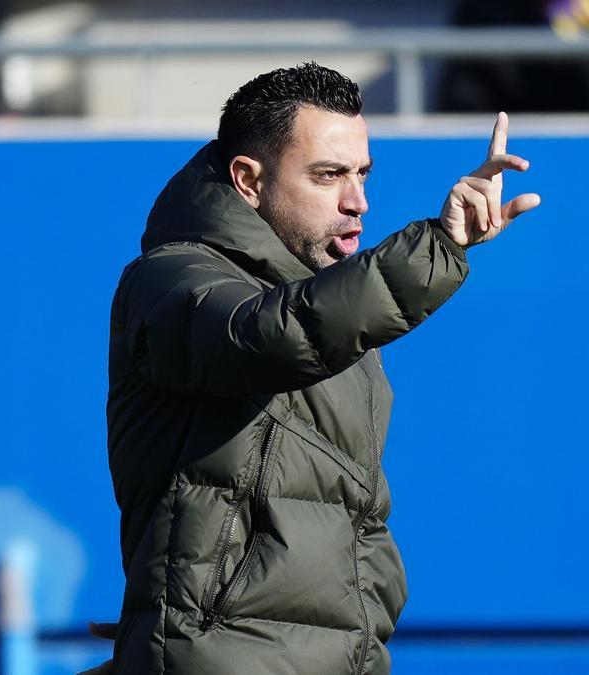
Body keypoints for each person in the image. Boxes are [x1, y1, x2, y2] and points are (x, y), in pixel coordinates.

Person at [99, 63, 539, 674]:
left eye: (362, 173)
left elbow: (351, 515)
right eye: (328, 174)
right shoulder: (171, 278)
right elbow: (266, 336)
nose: (358, 200)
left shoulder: (330, 306)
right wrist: (436, 247)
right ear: (248, 181)